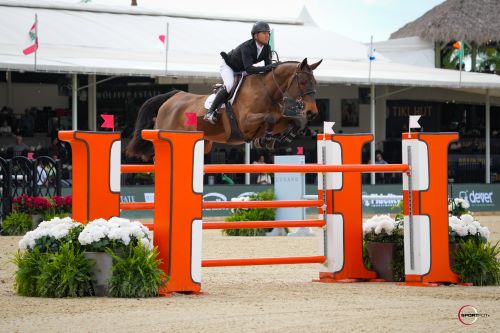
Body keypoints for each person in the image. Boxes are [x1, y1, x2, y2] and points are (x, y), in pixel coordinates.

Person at [204, 21, 276, 125]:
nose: (267, 36)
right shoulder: (247, 47)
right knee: (229, 85)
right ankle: (210, 112)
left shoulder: (267, 48)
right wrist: (269, 67)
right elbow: (249, 69)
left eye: (268, 33)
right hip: (229, 66)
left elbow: (268, 69)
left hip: (242, 69)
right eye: (264, 33)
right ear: (256, 35)